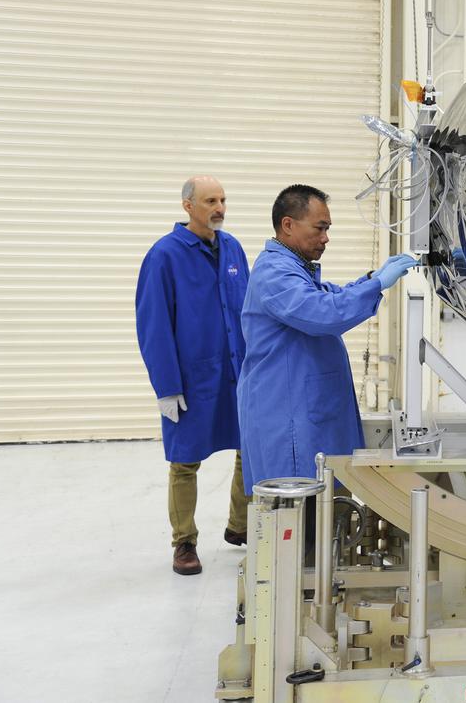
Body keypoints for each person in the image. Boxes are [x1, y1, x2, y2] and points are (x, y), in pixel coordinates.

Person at [237, 185, 417, 496]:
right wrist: (377, 285)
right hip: (287, 416)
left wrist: (373, 278)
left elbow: (330, 295)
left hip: (300, 409)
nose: (326, 238)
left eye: (328, 228)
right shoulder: (276, 274)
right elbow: (324, 313)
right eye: (320, 228)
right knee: (299, 511)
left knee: (319, 505)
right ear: (288, 225)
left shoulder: (293, 269)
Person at [135, 176, 251, 576]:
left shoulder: (233, 248)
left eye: (222, 199)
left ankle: (240, 525)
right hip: (191, 379)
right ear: (188, 206)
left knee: (247, 447)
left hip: (235, 372)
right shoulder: (164, 256)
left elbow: (247, 310)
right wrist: (166, 387)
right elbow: (153, 325)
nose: (219, 208)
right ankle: (184, 542)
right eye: (209, 201)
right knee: (184, 460)